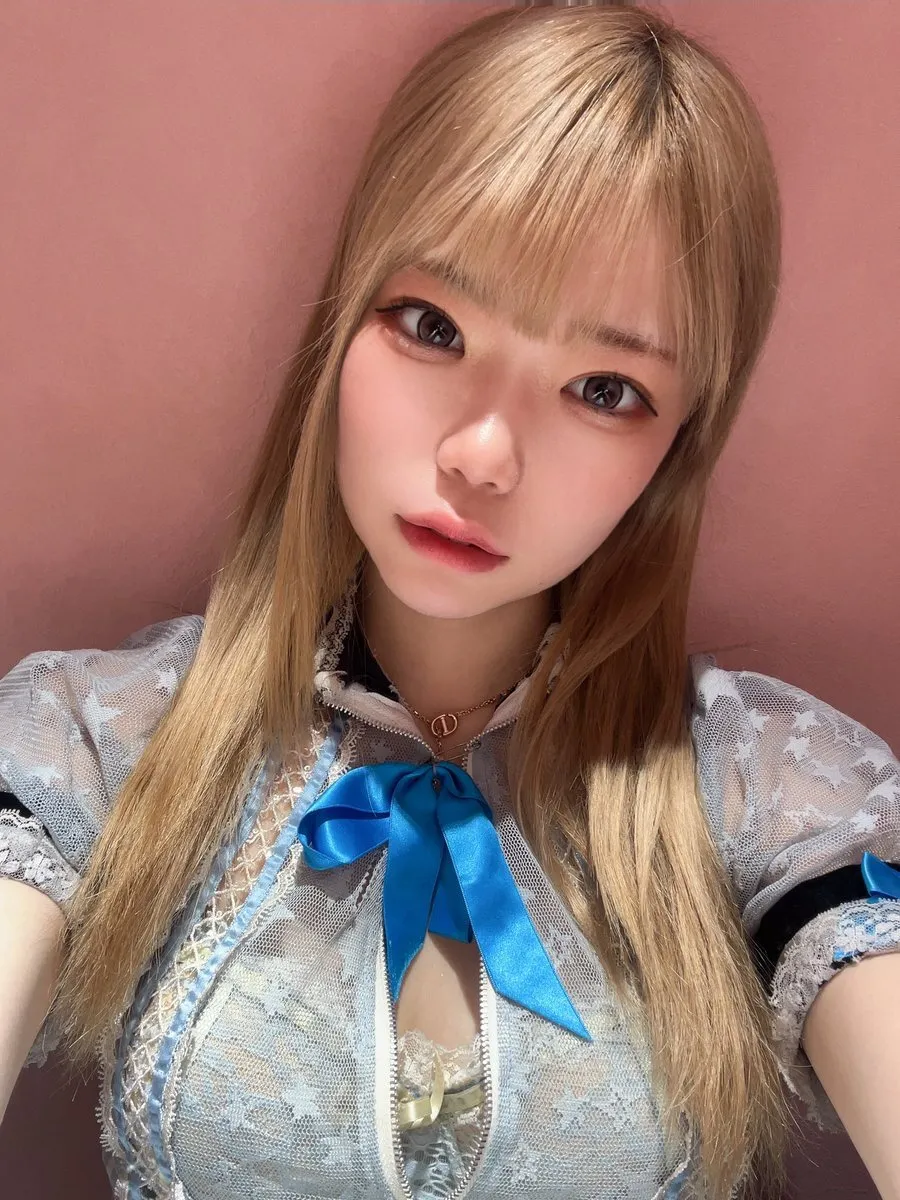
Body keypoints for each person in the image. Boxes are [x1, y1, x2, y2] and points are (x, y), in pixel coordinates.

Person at [1, 4, 898, 1198]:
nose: (483, 456)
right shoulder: (102, 742)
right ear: (343, 322)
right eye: (432, 326)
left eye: (604, 388)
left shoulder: (764, 790)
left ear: (677, 449)